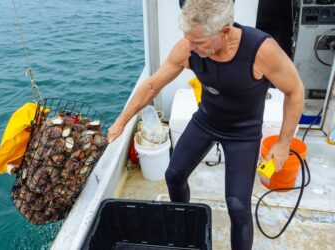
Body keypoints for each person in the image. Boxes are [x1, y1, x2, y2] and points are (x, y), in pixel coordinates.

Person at [107, 0, 304, 249]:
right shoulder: (188, 48)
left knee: (237, 206)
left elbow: (295, 90)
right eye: (188, 39)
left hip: (243, 133)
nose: (190, 47)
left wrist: (283, 142)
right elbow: (152, 85)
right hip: (207, 120)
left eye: (198, 43)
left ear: (224, 32)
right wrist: (120, 122)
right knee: (174, 175)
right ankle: (186, 232)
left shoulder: (262, 50)